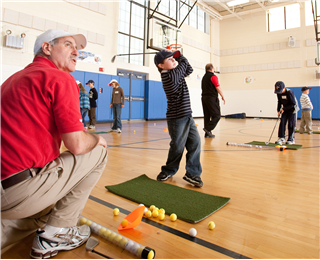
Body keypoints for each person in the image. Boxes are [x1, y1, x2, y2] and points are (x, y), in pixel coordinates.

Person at [0, 29, 108, 258]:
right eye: (68, 44)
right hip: (19, 191)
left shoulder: (11, 80)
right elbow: (77, 145)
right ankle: (56, 234)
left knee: (50, 207)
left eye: (76, 47)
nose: (76, 51)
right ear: (47, 48)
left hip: (5, 190)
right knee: (98, 152)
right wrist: (97, 138)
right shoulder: (59, 78)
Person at [154, 49, 203, 187]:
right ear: (161, 66)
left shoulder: (175, 73)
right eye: (170, 59)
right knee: (178, 146)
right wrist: (179, 54)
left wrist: (176, 56)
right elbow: (184, 65)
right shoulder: (169, 76)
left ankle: (192, 173)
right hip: (177, 118)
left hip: (187, 115)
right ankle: (168, 170)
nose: (173, 60)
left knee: (195, 143)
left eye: (173, 58)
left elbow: (189, 69)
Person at [201, 63, 225, 138]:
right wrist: (222, 96)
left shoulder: (204, 77)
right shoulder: (213, 77)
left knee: (207, 115)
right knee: (217, 115)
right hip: (211, 98)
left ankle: (207, 134)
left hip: (204, 98)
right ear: (212, 69)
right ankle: (208, 129)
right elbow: (218, 87)